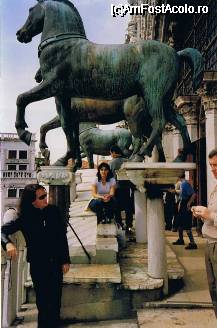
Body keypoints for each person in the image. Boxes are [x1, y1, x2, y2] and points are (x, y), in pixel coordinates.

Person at [1, 184, 70, 328]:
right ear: (32, 201)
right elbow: (2, 231)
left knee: (56, 301)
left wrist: (65, 260)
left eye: (46, 195)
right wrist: (7, 244)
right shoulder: (25, 218)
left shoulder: (54, 211)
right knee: (43, 303)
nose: (47, 198)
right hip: (39, 265)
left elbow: (61, 237)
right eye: (42, 197)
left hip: (56, 263)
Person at [191, 148, 217, 318]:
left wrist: (210, 215)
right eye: (211, 165)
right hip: (209, 244)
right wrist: (203, 216)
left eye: (216, 165)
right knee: (213, 291)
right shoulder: (215, 187)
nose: (213, 169)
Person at [109, 145, 134, 233]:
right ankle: (129, 226)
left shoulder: (111, 163)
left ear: (114, 153)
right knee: (128, 208)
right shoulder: (127, 161)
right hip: (127, 188)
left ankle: (119, 226)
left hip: (116, 189)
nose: (111, 155)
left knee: (116, 209)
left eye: (111, 153)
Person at [173, 173, 198, 250]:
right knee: (180, 222)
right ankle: (181, 240)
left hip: (185, 204)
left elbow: (193, 194)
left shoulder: (185, 184)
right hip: (182, 203)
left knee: (187, 224)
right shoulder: (182, 184)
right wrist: (175, 191)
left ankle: (193, 243)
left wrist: (189, 203)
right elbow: (182, 193)